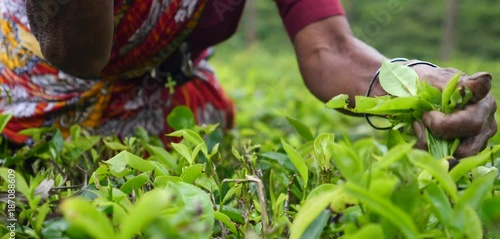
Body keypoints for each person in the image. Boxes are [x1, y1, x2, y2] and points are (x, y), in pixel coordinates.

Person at [0, 0, 496, 157]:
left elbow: (331, 49)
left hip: (159, 90)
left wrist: (414, 85)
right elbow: (79, 53)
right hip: (37, 86)